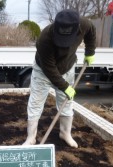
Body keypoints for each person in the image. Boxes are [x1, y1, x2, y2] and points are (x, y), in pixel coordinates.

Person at [23, 9, 96, 148]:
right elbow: (49, 68)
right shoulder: (45, 38)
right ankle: (31, 138)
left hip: (67, 68)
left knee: (66, 103)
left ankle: (65, 133)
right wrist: (65, 87)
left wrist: (90, 52)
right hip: (43, 71)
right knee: (35, 103)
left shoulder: (84, 24)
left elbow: (92, 31)